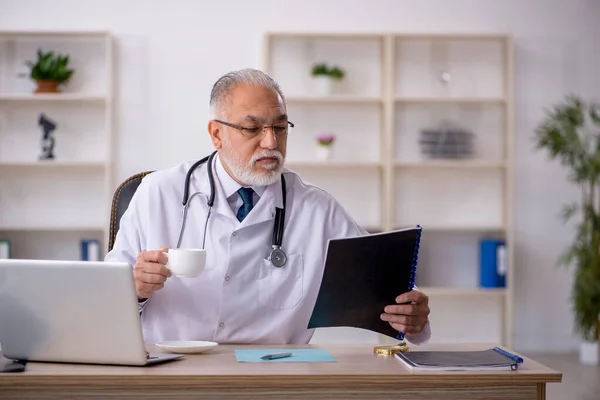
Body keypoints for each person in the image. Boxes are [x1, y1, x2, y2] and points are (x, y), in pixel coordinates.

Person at [105, 68, 431, 345]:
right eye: (252, 128)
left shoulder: (317, 209)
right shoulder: (157, 193)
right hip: (172, 374)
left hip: (275, 377)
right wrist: (134, 290)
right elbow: (102, 306)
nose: (271, 143)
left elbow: (387, 291)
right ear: (216, 134)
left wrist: (412, 316)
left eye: (279, 127)